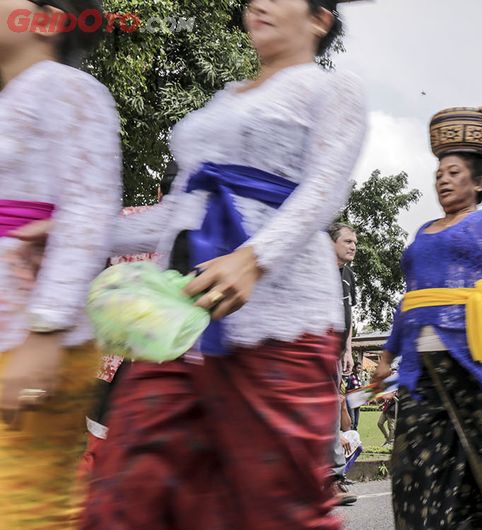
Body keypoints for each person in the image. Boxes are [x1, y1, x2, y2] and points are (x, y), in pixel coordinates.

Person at [82, 3, 368, 529]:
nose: (258, 3)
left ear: (320, 18)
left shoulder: (333, 89)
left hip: (283, 324)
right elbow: (174, 212)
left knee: (277, 506)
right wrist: (75, 231)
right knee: (126, 491)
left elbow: (324, 190)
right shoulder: (224, 99)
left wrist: (254, 260)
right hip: (182, 319)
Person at [374, 106, 482, 529]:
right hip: (421, 370)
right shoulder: (423, 231)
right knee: (412, 470)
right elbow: (410, 301)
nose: (442, 180)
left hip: (474, 361)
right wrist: (386, 357)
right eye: (438, 174)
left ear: (478, 182)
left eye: (453, 172)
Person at [0, 1, 120, 525]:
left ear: (46, 20)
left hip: (30, 340)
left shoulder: (70, 89)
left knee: (29, 506)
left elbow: (90, 208)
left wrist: (44, 333)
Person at [328, 222, 359, 505]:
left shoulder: (348, 275)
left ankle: (332, 478)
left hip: (336, 353)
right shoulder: (316, 270)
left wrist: (348, 350)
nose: (353, 247)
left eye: (355, 243)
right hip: (314, 348)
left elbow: (348, 314)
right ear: (331, 242)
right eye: (348, 241)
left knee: (332, 408)